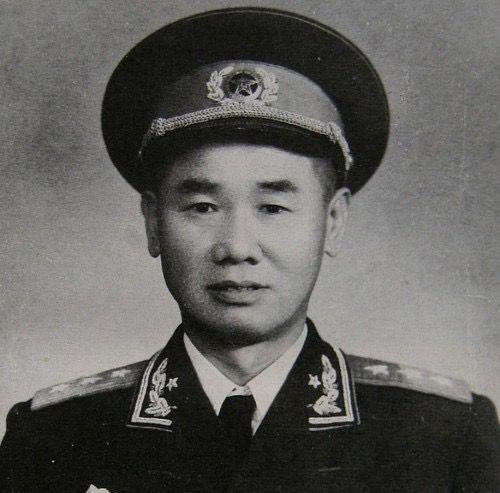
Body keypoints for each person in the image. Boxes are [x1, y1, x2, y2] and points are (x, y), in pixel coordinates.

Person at [0, 8, 498, 493]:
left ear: (333, 222)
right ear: (153, 223)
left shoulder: (443, 437)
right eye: (202, 207)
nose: (237, 248)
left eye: (273, 208)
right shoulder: (55, 436)